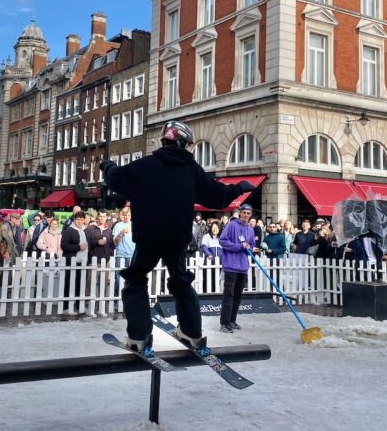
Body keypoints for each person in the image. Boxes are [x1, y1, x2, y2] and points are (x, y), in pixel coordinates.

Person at [101, 120, 255, 354]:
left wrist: (108, 166)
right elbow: (216, 195)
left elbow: (116, 179)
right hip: (177, 237)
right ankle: (192, 333)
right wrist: (239, 187)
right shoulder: (190, 169)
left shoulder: (146, 165)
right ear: (184, 143)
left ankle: (140, 336)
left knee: (136, 278)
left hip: (149, 236)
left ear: (164, 140)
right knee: (181, 281)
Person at [218, 203, 253, 333]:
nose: (246, 215)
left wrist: (249, 246)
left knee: (238, 296)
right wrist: (239, 246)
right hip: (231, 266)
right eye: (244, 212)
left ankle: (232, 320)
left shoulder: (250, 229)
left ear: (250, 215)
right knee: (229, 295)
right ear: (240, 213)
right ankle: (224, 323)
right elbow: (222, 241)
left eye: (248, 213)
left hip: (243, 267)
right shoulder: (231, 225)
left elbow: (251, 245)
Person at [61, 210, 89, 313]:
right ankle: (66, 307)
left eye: (82, 219)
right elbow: (63, 246)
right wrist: (78, 247)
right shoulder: (69, 230)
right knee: (69, 284)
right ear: (74, 220)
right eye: (77, 219)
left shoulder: (84, 230)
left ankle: (78, 306)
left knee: (79, 285)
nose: (79, 221)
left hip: (82, 262)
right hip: (71, 261)